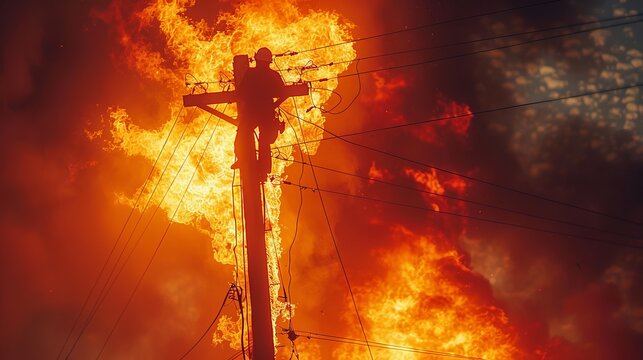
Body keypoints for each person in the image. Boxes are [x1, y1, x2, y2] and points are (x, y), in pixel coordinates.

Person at [234, 47, 286, 181]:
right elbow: (284, 93)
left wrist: (250, 102)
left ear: (256, 59)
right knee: (264, 142)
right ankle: (263, 171)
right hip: (266, 113)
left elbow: (240, 94)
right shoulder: (273, 75)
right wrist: (273, 105)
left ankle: (242, 159)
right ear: (269, 61)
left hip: (252, 112)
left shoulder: (250, 74)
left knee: (243, 134)